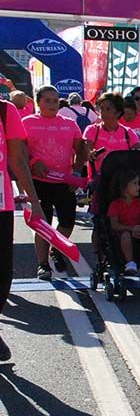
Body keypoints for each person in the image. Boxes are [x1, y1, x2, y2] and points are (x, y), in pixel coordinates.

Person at [22, 85, 89, 279]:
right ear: (38, 102)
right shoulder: (27, 122)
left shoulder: (70, 124)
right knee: (43, 222)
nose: (52, 104)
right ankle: (43, 265)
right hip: (38, 181)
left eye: (55, 100)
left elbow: (81, 150)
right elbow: (19, 151)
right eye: (47, 100)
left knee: (68, 221)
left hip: (64, 181)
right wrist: (34, 162)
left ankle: (56, 250)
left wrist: (76, 172)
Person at [0, 97, 45, 361]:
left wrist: (35, 201)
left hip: (1, 203)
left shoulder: (6, 111)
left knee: (3, 273)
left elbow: (18, 159)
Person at [106, 168, 140, 277]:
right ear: (125, 187)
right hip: (122, 233)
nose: (138, 187)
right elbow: (114, 224)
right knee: (125, 235)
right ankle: (130, 263)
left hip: (138, 230)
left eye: (138, 183)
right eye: (134, 184)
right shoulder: (115, 205)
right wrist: (131, 228)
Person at [84, 93, 140, 175]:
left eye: (108, 109)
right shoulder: (92, 130)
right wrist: (90, 153)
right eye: (102, 109)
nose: (103, 112)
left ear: (118, 113)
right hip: (99, 180)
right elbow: (85, 149)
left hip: (123, 182)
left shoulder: (128, 132)